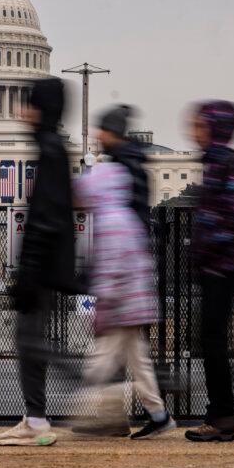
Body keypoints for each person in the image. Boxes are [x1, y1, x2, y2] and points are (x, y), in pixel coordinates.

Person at [0, 77, 78, 446]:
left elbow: (46, 218)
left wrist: (29, 272)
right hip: (45, 264)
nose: (20, 111)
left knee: (30, 342)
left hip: (41, 266)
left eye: (29, 104)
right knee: (31, 341)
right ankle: (36, 417)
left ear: (42, 109)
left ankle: (43, 415)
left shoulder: (51, 150)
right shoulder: (52, 148)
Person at [73, 155, 176, 440]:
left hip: (121, 305)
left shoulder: (109, 221)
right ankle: (159, 415)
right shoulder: (124, 216)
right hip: (135, 303)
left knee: (100, 363)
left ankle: (87, 410)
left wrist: (103, 305)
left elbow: (110, 267)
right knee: (139, 364)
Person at [185, 100, 234, 443]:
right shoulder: (220, 162)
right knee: (210, 340)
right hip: (221, 263)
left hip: (222, 265)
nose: (193, 131)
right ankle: (223, 414)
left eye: (200, 125)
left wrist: (204, 248)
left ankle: (223, 416)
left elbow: (231, 216)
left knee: (211, 341)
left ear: (215, 128)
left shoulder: (223, 162)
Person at [95, 105, 149, 225]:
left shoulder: (128, 162)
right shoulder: (121, 158)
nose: (99, 136)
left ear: (113, 133)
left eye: (104, 130)